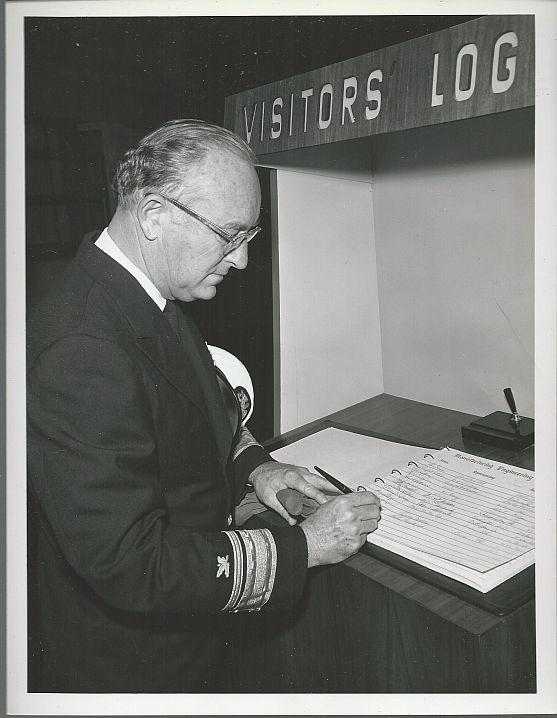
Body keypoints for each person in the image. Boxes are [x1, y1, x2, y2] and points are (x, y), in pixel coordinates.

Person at [26, 119, 381, 693]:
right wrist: (303, 550)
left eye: (251, 236)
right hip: (135, 670)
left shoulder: (146, 295)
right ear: (152, 216)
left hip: (183, 638)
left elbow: (199, 409)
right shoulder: (80, 348)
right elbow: (130, 563)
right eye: (230, 235)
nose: (241, 261)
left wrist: (256, 466)